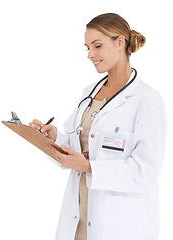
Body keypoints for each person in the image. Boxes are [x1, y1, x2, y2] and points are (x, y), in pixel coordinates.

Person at [29, 13, 167, 240]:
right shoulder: (89, 93)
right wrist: (53, 137)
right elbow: (77, 146)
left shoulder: (147, 101)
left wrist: (89, 167)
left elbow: (146, 172)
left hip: (119, 224)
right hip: (79, 219)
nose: (90, 54)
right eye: (87, 47)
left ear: (120, 41)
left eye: (97, 46)